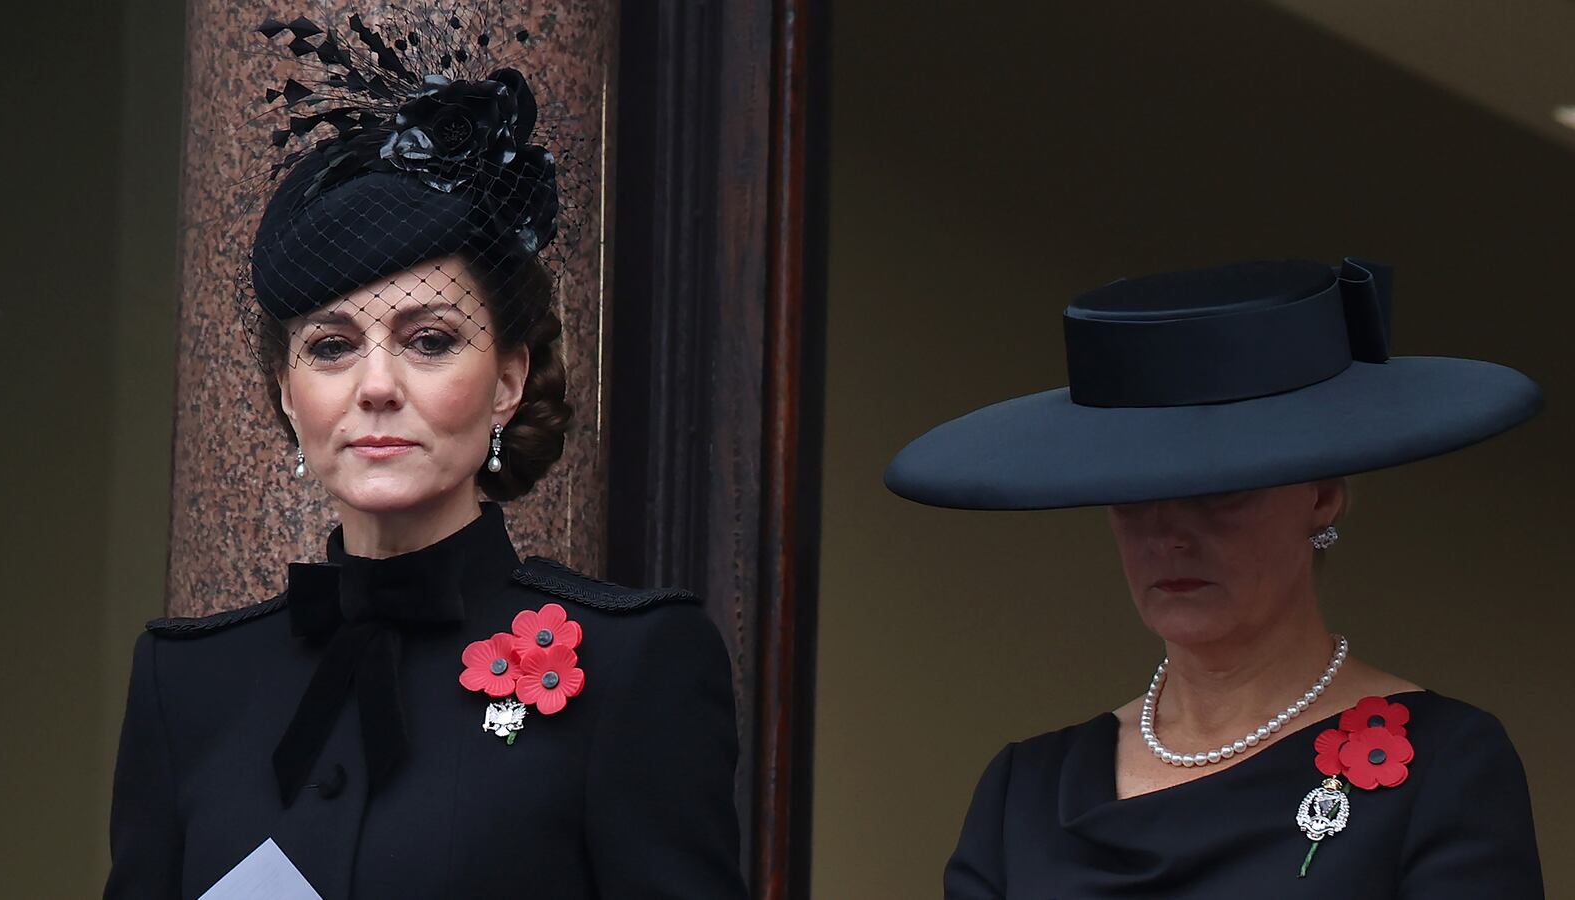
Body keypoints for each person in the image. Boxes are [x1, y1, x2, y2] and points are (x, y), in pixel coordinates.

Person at [104, 11, 745, 899]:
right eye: (331, 346)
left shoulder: (635, 665)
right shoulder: (189, 683)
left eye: (430, 340)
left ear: (509, 380)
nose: (376, 385)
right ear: (289, 394)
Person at [886, 259, 1545, 898]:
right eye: (1134, 495)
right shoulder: (1024, 793)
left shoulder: (1443, 767)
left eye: (1219, 492)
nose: (1169, 534)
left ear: (1320, 495)